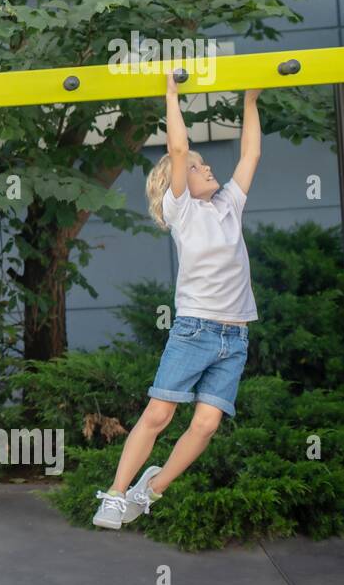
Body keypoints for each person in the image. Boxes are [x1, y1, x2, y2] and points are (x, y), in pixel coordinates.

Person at [93, 72, 262, 529]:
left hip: (235, 336)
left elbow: (250, 153)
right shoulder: (181, 210)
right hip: (194, 331)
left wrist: (250, 98)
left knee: (206, 425)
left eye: (206, 166)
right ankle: (113, 493)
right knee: (161, 412)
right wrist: (172, 95)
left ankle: (151, 489)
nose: (207, 168)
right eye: (196, 167)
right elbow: (179, 150)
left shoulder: (229, 205)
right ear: (174, 182)